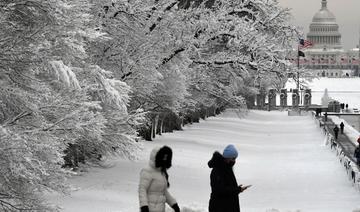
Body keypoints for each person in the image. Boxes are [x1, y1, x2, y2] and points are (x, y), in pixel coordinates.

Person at [208, 144, 250, 212]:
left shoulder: (227, 167)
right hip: (219, 207)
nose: (234, 161)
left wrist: (237, 189)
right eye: (233, 158)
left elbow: (227, 186)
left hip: (227, 206)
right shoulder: (218, 170)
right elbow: (220, 190)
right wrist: (237, 190)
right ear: (227, 157)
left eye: (235, 158)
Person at [138, 146, 180, 212]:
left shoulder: (162, 173)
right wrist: (144, 206)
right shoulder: (147, 171)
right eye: (163, 157)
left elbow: (163, 192)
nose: (165, 159)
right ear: (157, 157)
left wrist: (174, 204)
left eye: (166, 158)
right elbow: (142, 190)